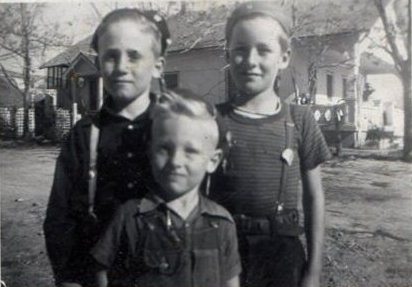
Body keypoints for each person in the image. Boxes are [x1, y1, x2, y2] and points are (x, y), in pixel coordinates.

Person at [43, 8, 171, 287]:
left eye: (134, 56)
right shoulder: (85, 135)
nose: (122, 66)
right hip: (97, 275)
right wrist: (68, 278)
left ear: (158, 65)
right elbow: (60, 217)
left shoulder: (177, 129)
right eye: (111, 56)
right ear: (99, 63)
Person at [209, 2, 332, 287]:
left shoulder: (299, 120)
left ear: (284, 57)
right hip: (223, 253)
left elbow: (315, 198)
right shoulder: (213, 119)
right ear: (228, 53)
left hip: (281, 257)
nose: (250, 60)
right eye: (240, 49)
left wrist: (313, 271)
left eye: (263, 50)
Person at [90, 90, 241, 287]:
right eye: (165, 148)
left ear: (213, 161)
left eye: (190, 151)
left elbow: (231, 281)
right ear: (150, 151)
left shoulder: (221, 224)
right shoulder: (130, 217)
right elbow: (101, 272)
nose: (176, 161)